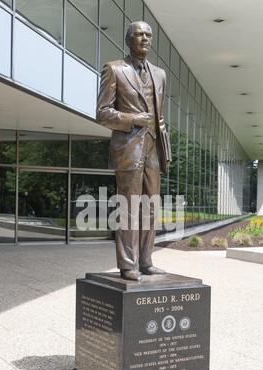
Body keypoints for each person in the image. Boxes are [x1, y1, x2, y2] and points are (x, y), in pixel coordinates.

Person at [96, 21, 172, 281]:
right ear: (129, 39)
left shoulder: (160, 74)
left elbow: (159, 115)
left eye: (149, 35)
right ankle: (128, 264)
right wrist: (132, 119)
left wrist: (164, 146)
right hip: (129, 148)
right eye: (140, 34)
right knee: (129, 208)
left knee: (151, 207)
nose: (145, 39)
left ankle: (146, 260)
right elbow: (102, 114)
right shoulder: (114, 69)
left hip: (153, 148)